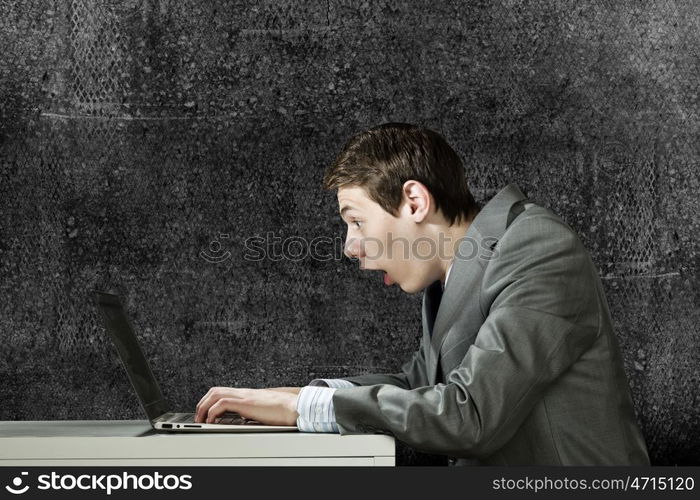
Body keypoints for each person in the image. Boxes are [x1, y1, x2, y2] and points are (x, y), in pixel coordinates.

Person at [194, 123, 650, 465]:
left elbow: (469, 416)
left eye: (356, 222)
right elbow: (421, 387)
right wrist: (293, 397)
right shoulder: (454, 271)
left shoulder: (536, 248)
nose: (350, 248)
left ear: (414, 201)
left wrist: (302, 408)